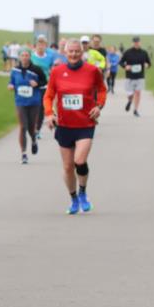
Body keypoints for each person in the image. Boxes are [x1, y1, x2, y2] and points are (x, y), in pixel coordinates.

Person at [43, 39, 106, 215]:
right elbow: (48, 95)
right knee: (68, 167)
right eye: (70, 51)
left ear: (82, 52)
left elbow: (102, 89)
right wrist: (49, 113)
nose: (74, 54)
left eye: (77, 51)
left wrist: (98, 106)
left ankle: (83, 192)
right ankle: (74, 199)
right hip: (64, 124)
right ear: (65, 52)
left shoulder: (92, 71)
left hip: (85, 123)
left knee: (80, 160)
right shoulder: (57, 72)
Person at [9, 48, 43, 163]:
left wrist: (37, 84)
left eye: (26, 55)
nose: (24, 57)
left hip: (34, 102)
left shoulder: (36, 70)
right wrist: (10, 86)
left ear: (30, 56)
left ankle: (33, 140)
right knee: (23, 126)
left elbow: (45, 82)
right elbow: (12, 81)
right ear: (19, 57)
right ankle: (23, 154)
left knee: (31, 127)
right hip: (20, 102)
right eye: (22, 55)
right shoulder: (15, 70)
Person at [30, 36, 56, 139]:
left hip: (44, 85)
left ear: (46, 46)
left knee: (41, 108)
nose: (40, 47)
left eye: (43, 45)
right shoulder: (32, 57)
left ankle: (37, 130)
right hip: (32, 86)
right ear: (35, 46)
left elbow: (52, 70)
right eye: (39, 45)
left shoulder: (49, 57)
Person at [120, 36, 152, 117]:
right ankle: (130, 101)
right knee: (130, 94)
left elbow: (149, 63)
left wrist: (147, 65)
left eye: (137, 41)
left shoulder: (144, 52)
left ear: (140, 42)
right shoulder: (127, 52)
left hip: (140, 76)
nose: (136, 43)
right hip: (129, 76)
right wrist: (125, 67)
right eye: (135, 42)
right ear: (133, 43)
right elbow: (121, 62)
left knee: (138, 92)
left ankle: (136, 110)